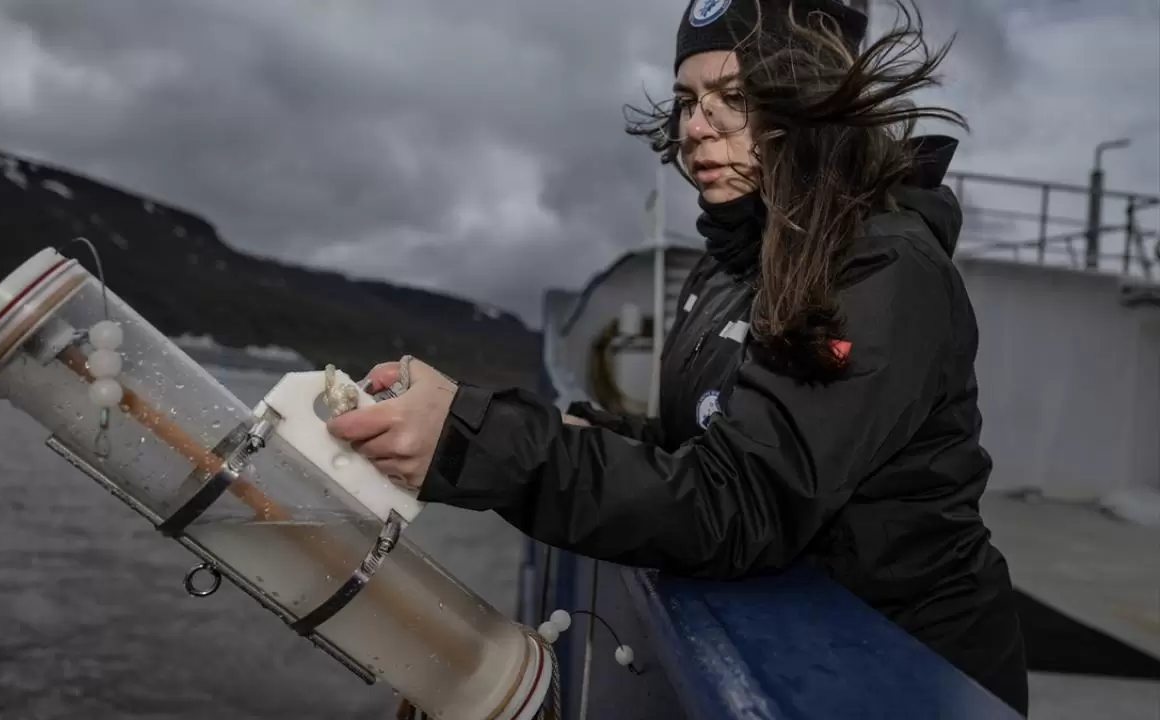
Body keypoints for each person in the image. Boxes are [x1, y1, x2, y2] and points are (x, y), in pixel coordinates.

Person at [326, 0, 1028, 715]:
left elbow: (740, 504)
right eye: (689, 101)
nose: (696, 127)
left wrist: (473, 443)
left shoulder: (884, 270)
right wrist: (494, 416)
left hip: (903, 671)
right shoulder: (725, 269)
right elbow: (692, 449)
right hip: (795, 651)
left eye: (735, 99)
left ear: (811, 106)